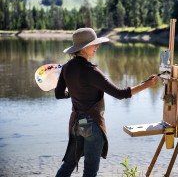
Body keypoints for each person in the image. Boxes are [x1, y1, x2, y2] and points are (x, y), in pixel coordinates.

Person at [54, 28, 158, 177]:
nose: (97, 47)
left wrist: (73, 91)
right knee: (90, 170)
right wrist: (146, 85)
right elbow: (120, 94)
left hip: (78, 123)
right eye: (93, 44)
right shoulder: (92, 71)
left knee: (69, 164)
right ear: (83, 48)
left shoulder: (66, 68)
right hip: (91, 124)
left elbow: (59, 94)